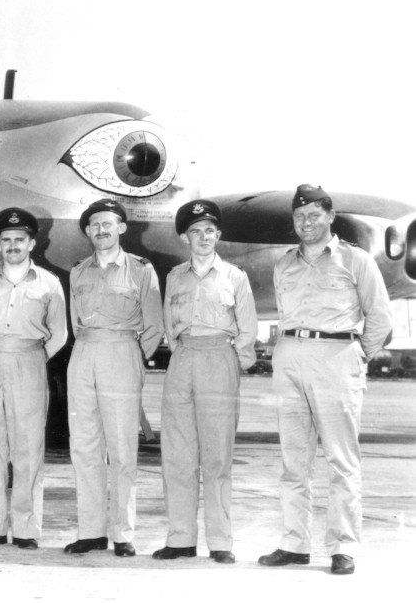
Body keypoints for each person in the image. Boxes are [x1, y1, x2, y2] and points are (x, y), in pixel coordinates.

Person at [258, 185, 392, 575]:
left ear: (330, 217)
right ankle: (294, 544)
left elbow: (379, 318)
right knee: (293, 461)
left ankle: (343, 547)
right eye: (300, 217)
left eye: (314, 215)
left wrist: (355, 356)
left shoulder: (356, 260)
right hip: (290, 359)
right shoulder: (284, 265)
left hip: (337, 359)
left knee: (341, 460)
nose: (306, 223)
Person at [152, 200, 257, 564]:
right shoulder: (175, 277)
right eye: (196, 231)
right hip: (183, 359)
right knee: (178, 455)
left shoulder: (235, 277)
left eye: (209, 231)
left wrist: (232, 364)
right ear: (185, 237)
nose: (203, 237)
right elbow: (169, 324)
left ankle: (220, 541)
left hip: (219, 359)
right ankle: (180, 538)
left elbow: (248, 330)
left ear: (218, 235)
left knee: (217, 456)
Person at [0, 208, 67, 550]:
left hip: (30, 361)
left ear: (31, 243)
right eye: (6, 240)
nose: (12, 245)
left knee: (28, 446)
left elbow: (60, 333)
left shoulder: (49, 283)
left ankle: (26, 530)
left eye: (19, 240)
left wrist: (34, 358)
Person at [64, 199, 162, 557]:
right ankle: (90, 531)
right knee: (84, 446)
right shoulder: (77, 271)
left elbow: (153, 325)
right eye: (94, 225)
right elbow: (75, 321)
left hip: (122, 354)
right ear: (88, 232)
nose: (101, 230)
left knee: (122, 448)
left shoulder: (140, 270)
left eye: (108, 223)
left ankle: (122, 533)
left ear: (121, 228)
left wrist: (133, 360)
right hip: (84, 354)